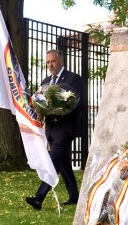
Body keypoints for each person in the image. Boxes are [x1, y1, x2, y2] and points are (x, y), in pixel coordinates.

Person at [25, 49, 84, 210]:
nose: (50, 65)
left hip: (66, 127)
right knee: (63, 163)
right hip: (51, 128)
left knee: (53, 160)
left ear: (61, 62)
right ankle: (74, 196)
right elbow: (42, 102)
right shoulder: (45, 81)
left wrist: (62, 105)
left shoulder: (73, 78)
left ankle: (39, 197)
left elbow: (78, 103)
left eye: (53, 61)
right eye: (48, 62)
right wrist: (39, 111)